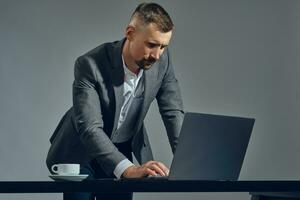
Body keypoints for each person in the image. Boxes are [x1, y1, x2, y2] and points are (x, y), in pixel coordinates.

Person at [46, 2, 184, 200]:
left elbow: (173, 112)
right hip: (80, 150)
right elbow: (90, 128)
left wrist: (187, 163)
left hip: (123, 146)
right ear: (130, 33)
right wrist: (128, 170)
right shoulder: (89, 64)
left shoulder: (163, 62)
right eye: (151, 44)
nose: (157, 55)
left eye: (163, 46)